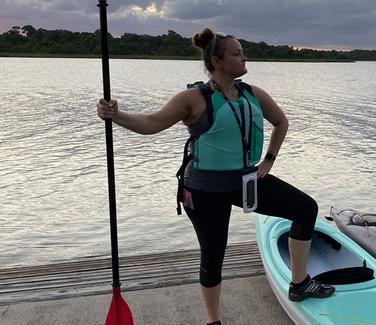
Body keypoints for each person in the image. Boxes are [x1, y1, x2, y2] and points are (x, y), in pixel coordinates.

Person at [96, 27, 335, 325]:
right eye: (237, 53)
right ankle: (213, 321)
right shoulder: (194, 98)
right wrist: (116, 116)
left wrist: (269, 160)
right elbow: (151, 124)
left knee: (305, 208)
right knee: (214, 253)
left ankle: (299, 284)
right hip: (204, 189)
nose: (244, 56)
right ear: (217, 61)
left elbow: (281, 122)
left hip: (245, 181)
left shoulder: (252, 94)